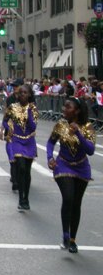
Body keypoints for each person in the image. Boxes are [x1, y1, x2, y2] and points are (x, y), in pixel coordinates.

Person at [47, 97, 96, 253]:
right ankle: (65, 235)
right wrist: (50, 157)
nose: (64, 109)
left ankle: (73, 240)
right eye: (64, 106)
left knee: (76, 203)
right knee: (68, 197)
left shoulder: (88, 127)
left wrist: (78, 134)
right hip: (63, 164)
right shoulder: (61, 124)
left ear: (77, 111)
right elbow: (51, 142)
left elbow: (90, 150)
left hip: (81, 167)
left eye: (68, 107)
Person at [0, 84, 38, 210]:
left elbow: (33, 127)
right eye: (20, 92)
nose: (22, 94)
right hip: (16, 140)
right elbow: (5, 120)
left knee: (27, 171)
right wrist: (8, 128)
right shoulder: (12, 107)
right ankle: (21, 198)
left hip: (29, 141)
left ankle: (26, 197)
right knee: (20, 167)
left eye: (25, 92)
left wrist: (28, 112)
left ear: (29, 95)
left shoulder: (33, 109)